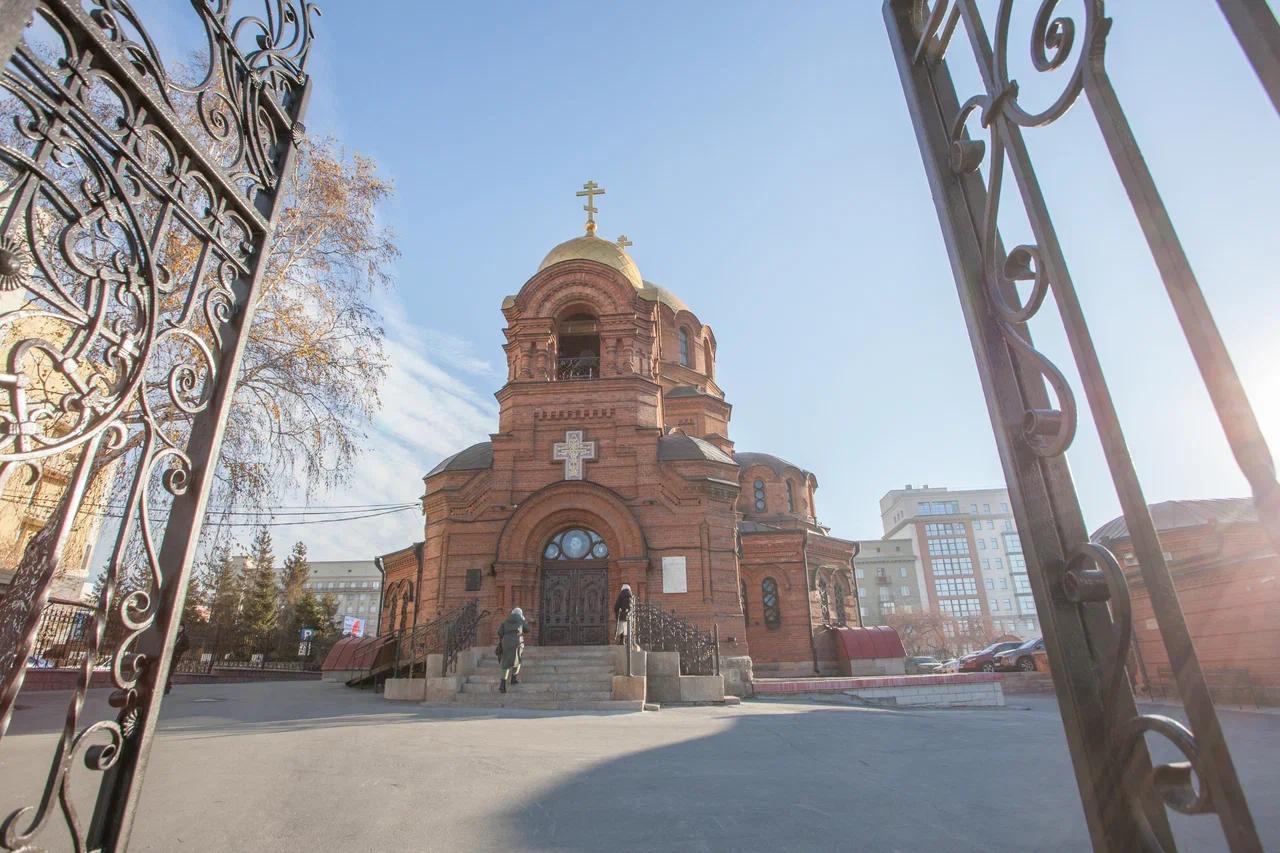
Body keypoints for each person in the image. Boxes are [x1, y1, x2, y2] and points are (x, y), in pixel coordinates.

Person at [496, 607, 528, 693]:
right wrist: (524, 620)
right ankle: (514, 678)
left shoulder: (505, 621)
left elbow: (499, 632)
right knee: (518, 660)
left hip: (506, 642)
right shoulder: (521, 620)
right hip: (518, 642)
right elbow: (527, 630)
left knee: (505, 662)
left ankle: (502, 685)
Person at [165, 624, 190, 695]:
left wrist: (178, 649)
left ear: (183, 628)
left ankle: (166, 687)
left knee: (169, 672)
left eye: (181, 627)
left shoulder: (184, 637)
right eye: (178, 627)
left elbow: (187, 647)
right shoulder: (172, 634)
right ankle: (167, 686)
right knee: (165, 671)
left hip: (175, 657)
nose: (179, 628)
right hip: (167, 655)